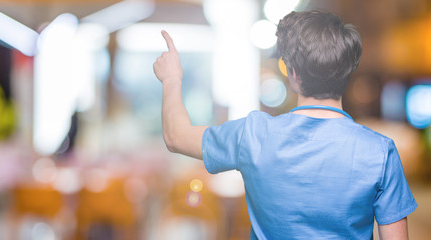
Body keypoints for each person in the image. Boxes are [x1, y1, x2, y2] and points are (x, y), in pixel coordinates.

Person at [153, 10, 417, 240]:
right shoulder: (380, 152)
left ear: (293, 74)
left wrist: (171, 78)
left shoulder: (253, 135)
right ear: (349, 72)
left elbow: (176, 136)